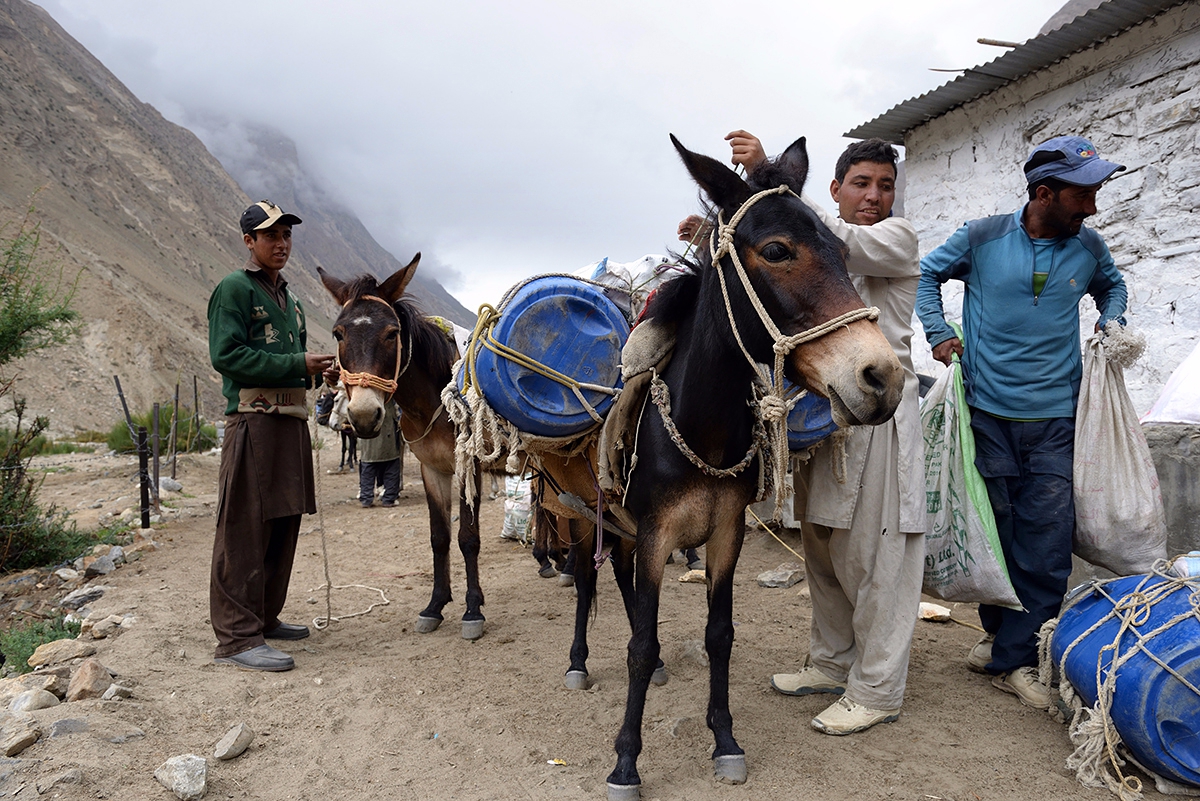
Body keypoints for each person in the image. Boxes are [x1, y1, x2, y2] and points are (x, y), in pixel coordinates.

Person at [687, 131, 925, 735]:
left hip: (877, 410)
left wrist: (763, 186)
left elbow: (813, 239)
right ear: (836, 188)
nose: (875, 196)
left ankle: (877, 689)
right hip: (820, 412)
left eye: (886, 186)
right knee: (821, 546)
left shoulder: (892, 239)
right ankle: (830, 662)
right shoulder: (818, 238)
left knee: (878, 556)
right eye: (862, 183)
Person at [917, 136, 1128, 709]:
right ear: (1044, 193)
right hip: (985, 414)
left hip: (1056, 419)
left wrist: (1111, 325)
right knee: (996, 532)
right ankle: (1000, 639)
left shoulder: (1089, 248)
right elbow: (926, 275)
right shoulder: (982, 237)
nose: (1091, 207)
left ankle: (1021, 656)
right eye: (1082, 195)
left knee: (1047, 539)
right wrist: (939, 334)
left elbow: (1113, 286)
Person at [207, 200, 335, 672]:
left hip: (290, 422)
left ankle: (264, 617)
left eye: (286, 236)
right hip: (252, 423)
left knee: (284, 521)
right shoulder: (234, 289)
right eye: (270, 236)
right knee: (243, 527)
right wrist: (298, 365)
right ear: (249, 241)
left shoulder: (292, 300)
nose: (281, 244)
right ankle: (237, 640)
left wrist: (321, 374)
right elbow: (227, 356)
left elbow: (296, 365)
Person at [358, 398, 403, 508]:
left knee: (368, 470)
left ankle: (366, 499)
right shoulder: (389, 398)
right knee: (391, 468)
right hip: (389, 442)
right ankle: (389, 498)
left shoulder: (362, 399)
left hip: (368, 445)